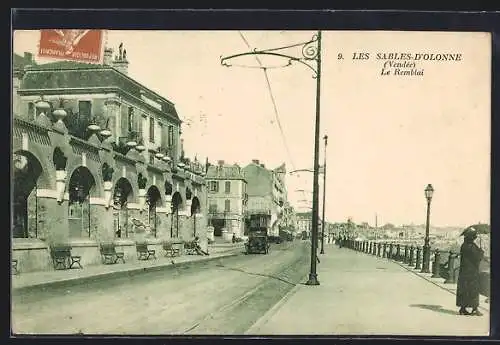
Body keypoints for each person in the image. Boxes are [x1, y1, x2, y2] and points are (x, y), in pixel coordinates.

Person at [456, 228, 484, 316]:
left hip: (464, 271)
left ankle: (463, 308)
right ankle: (475, 309)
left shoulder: (464, 245)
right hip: (472, 272)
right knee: (473, 289)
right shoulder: (471, 246)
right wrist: (481, 251)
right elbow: (477, 257)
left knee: (464, 289)